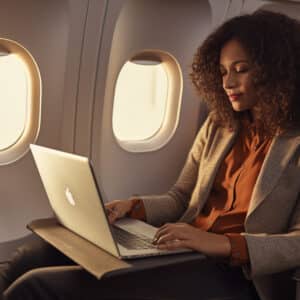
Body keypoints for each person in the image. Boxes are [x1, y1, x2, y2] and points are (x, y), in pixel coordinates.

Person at [1, 9, 300, 300]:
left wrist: (223, 244)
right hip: (180, 250)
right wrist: (131, 208)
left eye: (241, 70)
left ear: (277, 69)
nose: (228, 83)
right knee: (31, 256)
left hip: (234, 274)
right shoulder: (221, 125)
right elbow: (182, 198)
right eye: (222, 72)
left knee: (37, 286)